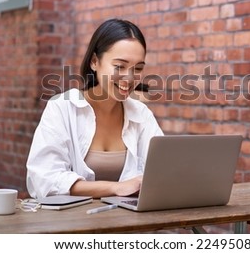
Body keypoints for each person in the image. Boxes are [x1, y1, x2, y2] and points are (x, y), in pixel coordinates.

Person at [26, 18, 164, 199]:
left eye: (138, 69)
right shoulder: (62, 108)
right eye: (119, 66)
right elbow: (44, 179)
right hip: (73, 224)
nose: (129, 78)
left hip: (127, 224)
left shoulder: (141, 114)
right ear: (94, 61)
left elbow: (163, 172)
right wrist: (116, 188)